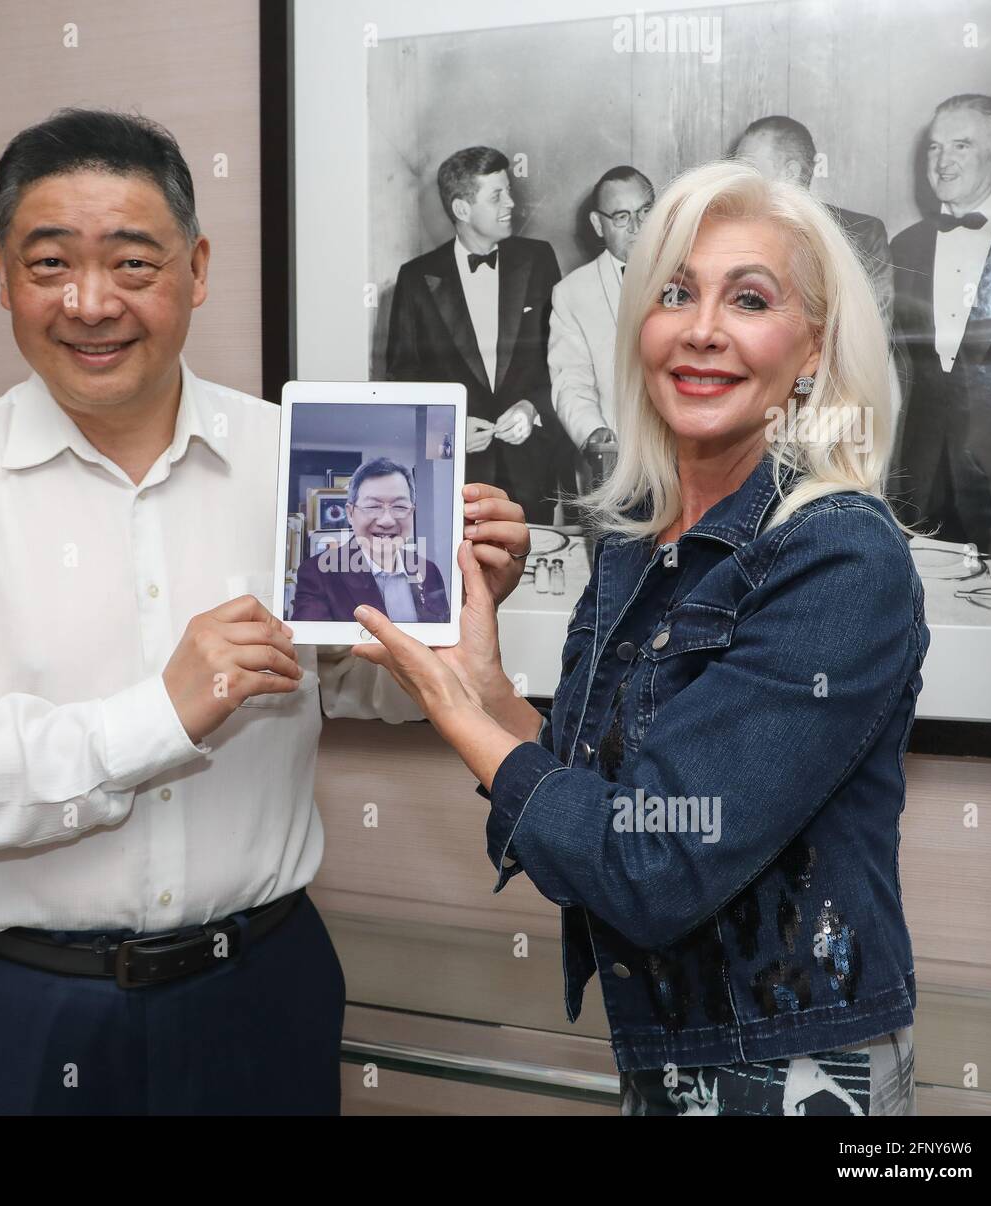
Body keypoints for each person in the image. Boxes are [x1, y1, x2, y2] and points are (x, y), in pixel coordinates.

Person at [0, 108, 529, 1116]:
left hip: (258, 997)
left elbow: (362, 685)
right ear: (2, 273)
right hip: (8, 1015)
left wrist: (449, 618)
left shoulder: (295, 458)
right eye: (50, 263)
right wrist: (157, 716)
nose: (90, 301)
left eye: (133, 265)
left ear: (196, 270)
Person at [350, 160, 929, 1116]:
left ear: (813, 350)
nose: (701, 329)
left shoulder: (839, 555)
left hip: (795, 1069)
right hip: (658, 1057)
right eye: (674, 293)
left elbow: (656, 861)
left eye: (749, 299)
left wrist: (462, 720)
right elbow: (595, 823)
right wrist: (485, 685)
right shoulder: (633, 543)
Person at [385, 146, 570, 524]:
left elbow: (563, 355)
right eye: (497, 195)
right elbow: (403, 379)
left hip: (532, 470)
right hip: (455, 474)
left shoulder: (538, 259)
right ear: (462, 209)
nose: (512, 204)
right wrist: (447, 429)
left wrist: (532, 407)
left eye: (509, 191)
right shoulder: (416, 278)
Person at [889, 93, 991, 555]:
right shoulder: (903, 248)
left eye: (961, 145)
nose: (942, 161)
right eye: (934, 146)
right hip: (916, 483)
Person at [548, 166, 655, 492]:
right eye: (622, 217)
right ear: (598, 224)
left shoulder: (693, 272)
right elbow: (571, 381)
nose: (637, 227)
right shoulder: (572, 293)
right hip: (616, 468)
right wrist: (593, 432)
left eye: (645, 211)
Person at [734, 116, 894, 327]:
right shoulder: (731, 234)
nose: (736, 177)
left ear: (790, 173)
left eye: (748, 166)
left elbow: (873, 333)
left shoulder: (863, 236)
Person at [290, 457, 449, 623]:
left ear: (411, 513)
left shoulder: (429, 572)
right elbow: (313, 646)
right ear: (350, 514)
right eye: (373, 507)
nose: (386, 521)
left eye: (400, 507)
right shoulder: (318, 574)